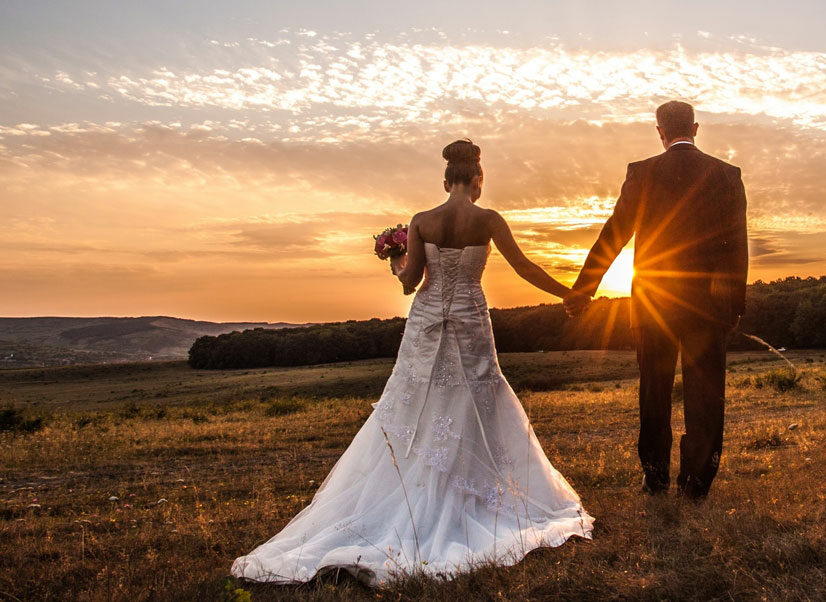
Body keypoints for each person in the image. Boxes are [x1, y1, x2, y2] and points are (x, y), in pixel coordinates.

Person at [231, 139, 593, 586]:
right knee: (476, 398)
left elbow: (410, 283)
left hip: (425, 322)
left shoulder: (423, 220)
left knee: (414, 402)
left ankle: (413, 487)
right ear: (477, 181)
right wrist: (569, 294)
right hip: (468, 319)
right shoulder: (488, 219)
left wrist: (396, 263)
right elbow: (523, 267)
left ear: (446, 181)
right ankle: (472, 491)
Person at [565, 101, 748, 500]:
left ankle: (655, 476)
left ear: (659, 131)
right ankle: (697, 482)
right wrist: (733, 305)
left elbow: (614, 232)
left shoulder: (642, 172)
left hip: (652, 300)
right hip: (706, 306)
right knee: (705, 394)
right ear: (696, 128)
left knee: (653, 391)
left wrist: (584, 288)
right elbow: (737, 245)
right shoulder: (726, 175)